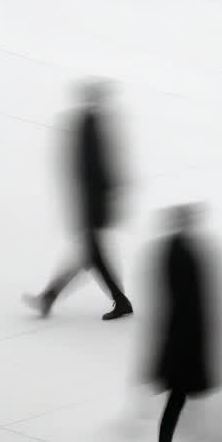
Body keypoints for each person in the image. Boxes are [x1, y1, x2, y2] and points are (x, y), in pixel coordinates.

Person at [23, 80, 133, 322]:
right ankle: (50, 297)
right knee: (91, 254)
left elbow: (94, 169)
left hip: (93, 204)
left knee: (91, 253)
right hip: (93, 203)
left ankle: (51, 297)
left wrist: (94, 203)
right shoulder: (93, 125)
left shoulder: (90, 125)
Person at [146, 204, 222, 442]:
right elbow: (193, 304)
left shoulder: (170, 252)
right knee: (184, 402)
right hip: (187, 346)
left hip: (176, 344)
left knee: (178, 403)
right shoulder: (186, 256)